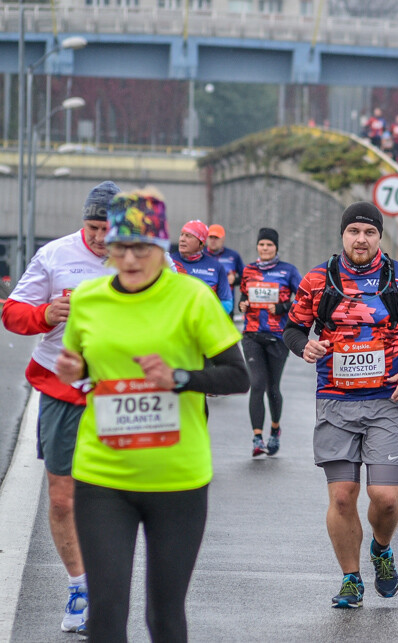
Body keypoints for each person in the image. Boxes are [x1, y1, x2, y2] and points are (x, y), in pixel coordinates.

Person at [55, 189, 249, 641]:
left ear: (160, 248)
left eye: (141, 247)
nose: (129, 258)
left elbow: (237, 376)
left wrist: (178, 378)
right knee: (105, 613)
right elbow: (88, 366)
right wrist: (75, 369)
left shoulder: (192, 299)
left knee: (163, 615)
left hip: (177, 479)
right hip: (103, 475)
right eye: (120, 247)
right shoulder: (87, 299)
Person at [282, 202, 398, 609]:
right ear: (342, 235)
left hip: (385, 401)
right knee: (342, 497)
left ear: (379, 237)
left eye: (369, 232)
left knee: (387, 498)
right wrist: (306, 346)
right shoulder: (319, 279)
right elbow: (293, 329)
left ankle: (382, 550)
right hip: (335, 400)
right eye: (354, 231)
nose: (361, 239)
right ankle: (350, 579)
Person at [0, 180, 120, 635]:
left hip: (120, 392)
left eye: (108, 228)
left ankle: (110, 582)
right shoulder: (55, 255)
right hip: (60, 387)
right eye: (92, 227)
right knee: (62, 496)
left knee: (114, 497)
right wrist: (44, 315)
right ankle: (79, 585)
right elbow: (13, 312)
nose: (99, 239)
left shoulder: (146, 258)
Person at [238, 228, 302, 457]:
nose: (265, 248)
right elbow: (244, 297)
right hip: (252, 336)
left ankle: (275, 430)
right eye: (262, 244)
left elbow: (304, 297)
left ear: (276, 248)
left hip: (277, 337)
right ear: (257, 246)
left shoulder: (288, 271)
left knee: (272, 388)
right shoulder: (249, 270)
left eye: (269, 245)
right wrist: (242, 305)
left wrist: (284, 307)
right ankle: (257, 437)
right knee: (256, 384)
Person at [170, 220, 233, 313]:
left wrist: (205, 314)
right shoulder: (168, 262)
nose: (182, 239)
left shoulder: (216, 267)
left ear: (201, 243)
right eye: (182, 234)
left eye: (188, 236)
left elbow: (227, 303)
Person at [205, 224, 244, 300]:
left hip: (225, 303)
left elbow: (246, 277)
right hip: (205, 301)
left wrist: (235, 280)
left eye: (216, 238)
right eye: (210, 237)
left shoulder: (233, 255)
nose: (213, 241)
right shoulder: (200, 254)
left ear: (223, 238)